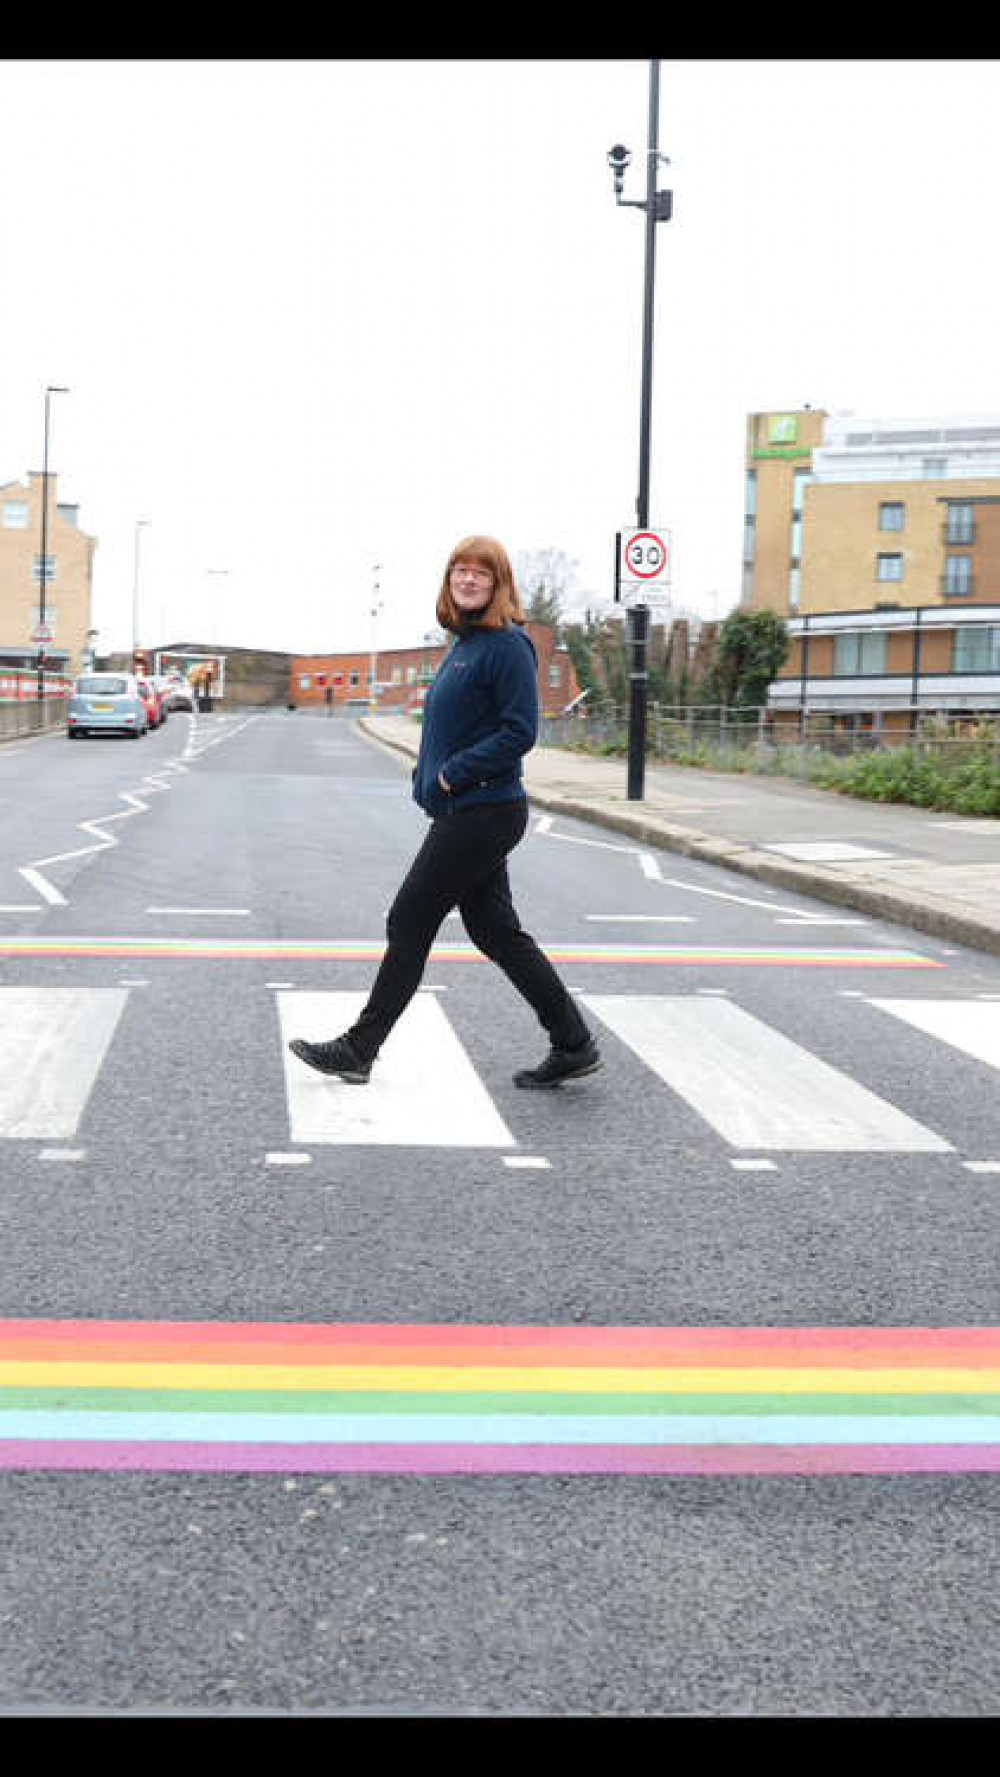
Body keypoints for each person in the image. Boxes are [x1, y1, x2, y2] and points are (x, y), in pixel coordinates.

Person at [288, 534, 602, 1090]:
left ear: (498, 583)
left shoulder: (508, 645)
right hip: (467, 809)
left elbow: (519, 732)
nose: (468, 579)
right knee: (497, 932)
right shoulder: (464, 644)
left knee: (409, 919)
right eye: (460, 570)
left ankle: (360, 1048)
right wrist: (425, 771)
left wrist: (453, 772)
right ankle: (572, 1042)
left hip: (485, 809)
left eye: (481, 572)